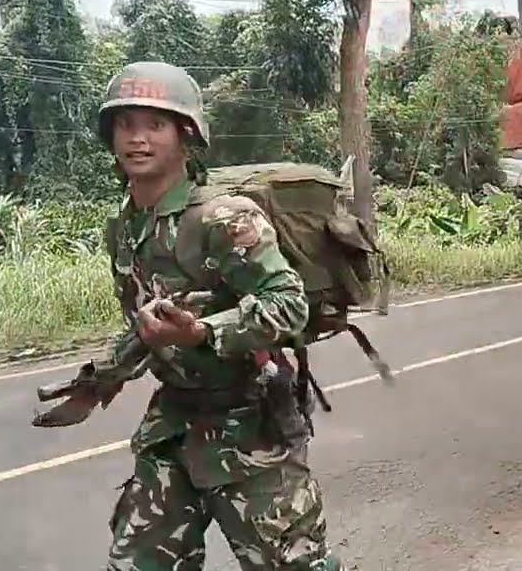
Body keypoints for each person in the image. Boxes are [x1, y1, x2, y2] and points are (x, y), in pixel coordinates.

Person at [90, 61, 340, 570]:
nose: (137, 138)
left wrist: (205, 330)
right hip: (175, 425)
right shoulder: (124, 228)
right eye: (125, 124)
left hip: (250, 428)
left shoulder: (225, 218)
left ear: (186, 136)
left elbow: (288, 303)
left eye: (154, 124)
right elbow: (143, 319)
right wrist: (100, 377)